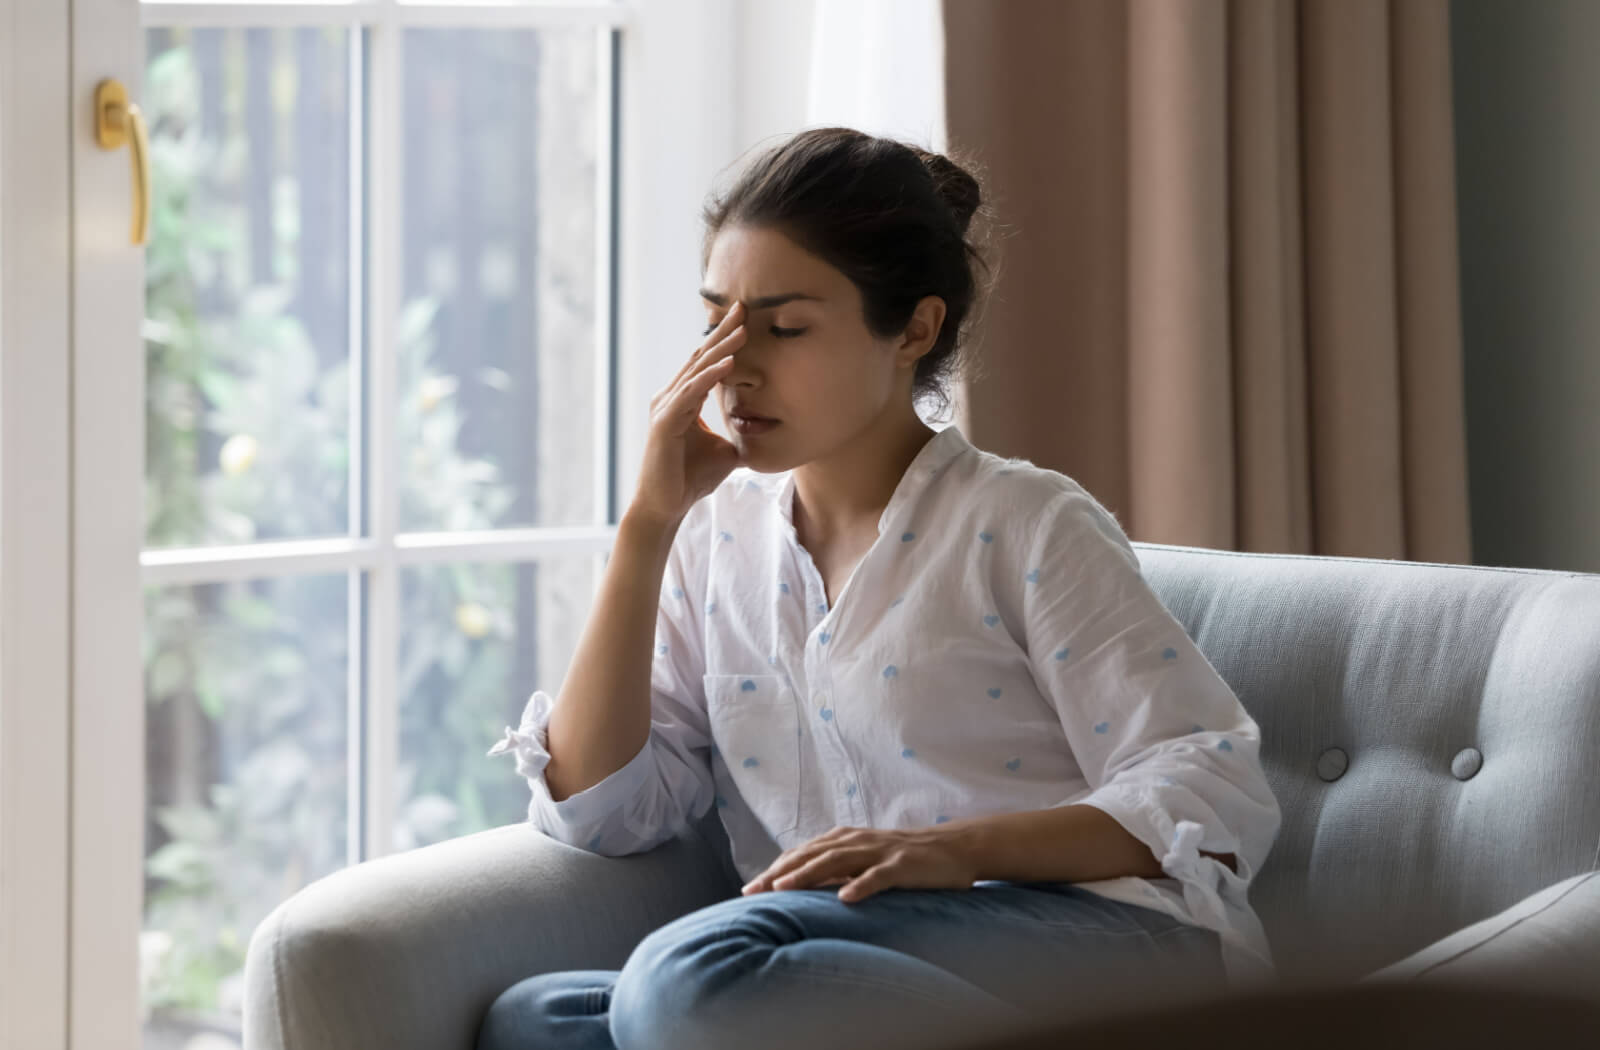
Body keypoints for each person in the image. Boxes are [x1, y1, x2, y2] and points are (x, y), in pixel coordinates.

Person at [480, 126, 1282, 1050]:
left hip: (1097, 943)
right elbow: (600, 810)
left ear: (914, 329)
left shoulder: (1023, 523)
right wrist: (646, 527)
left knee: (686, 980)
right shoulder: (713, 538)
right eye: (717, 323)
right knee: (533, 1023)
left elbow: (1209, 787)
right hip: (847, 959)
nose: (735, 367)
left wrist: (945, 854)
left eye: (783, 329)